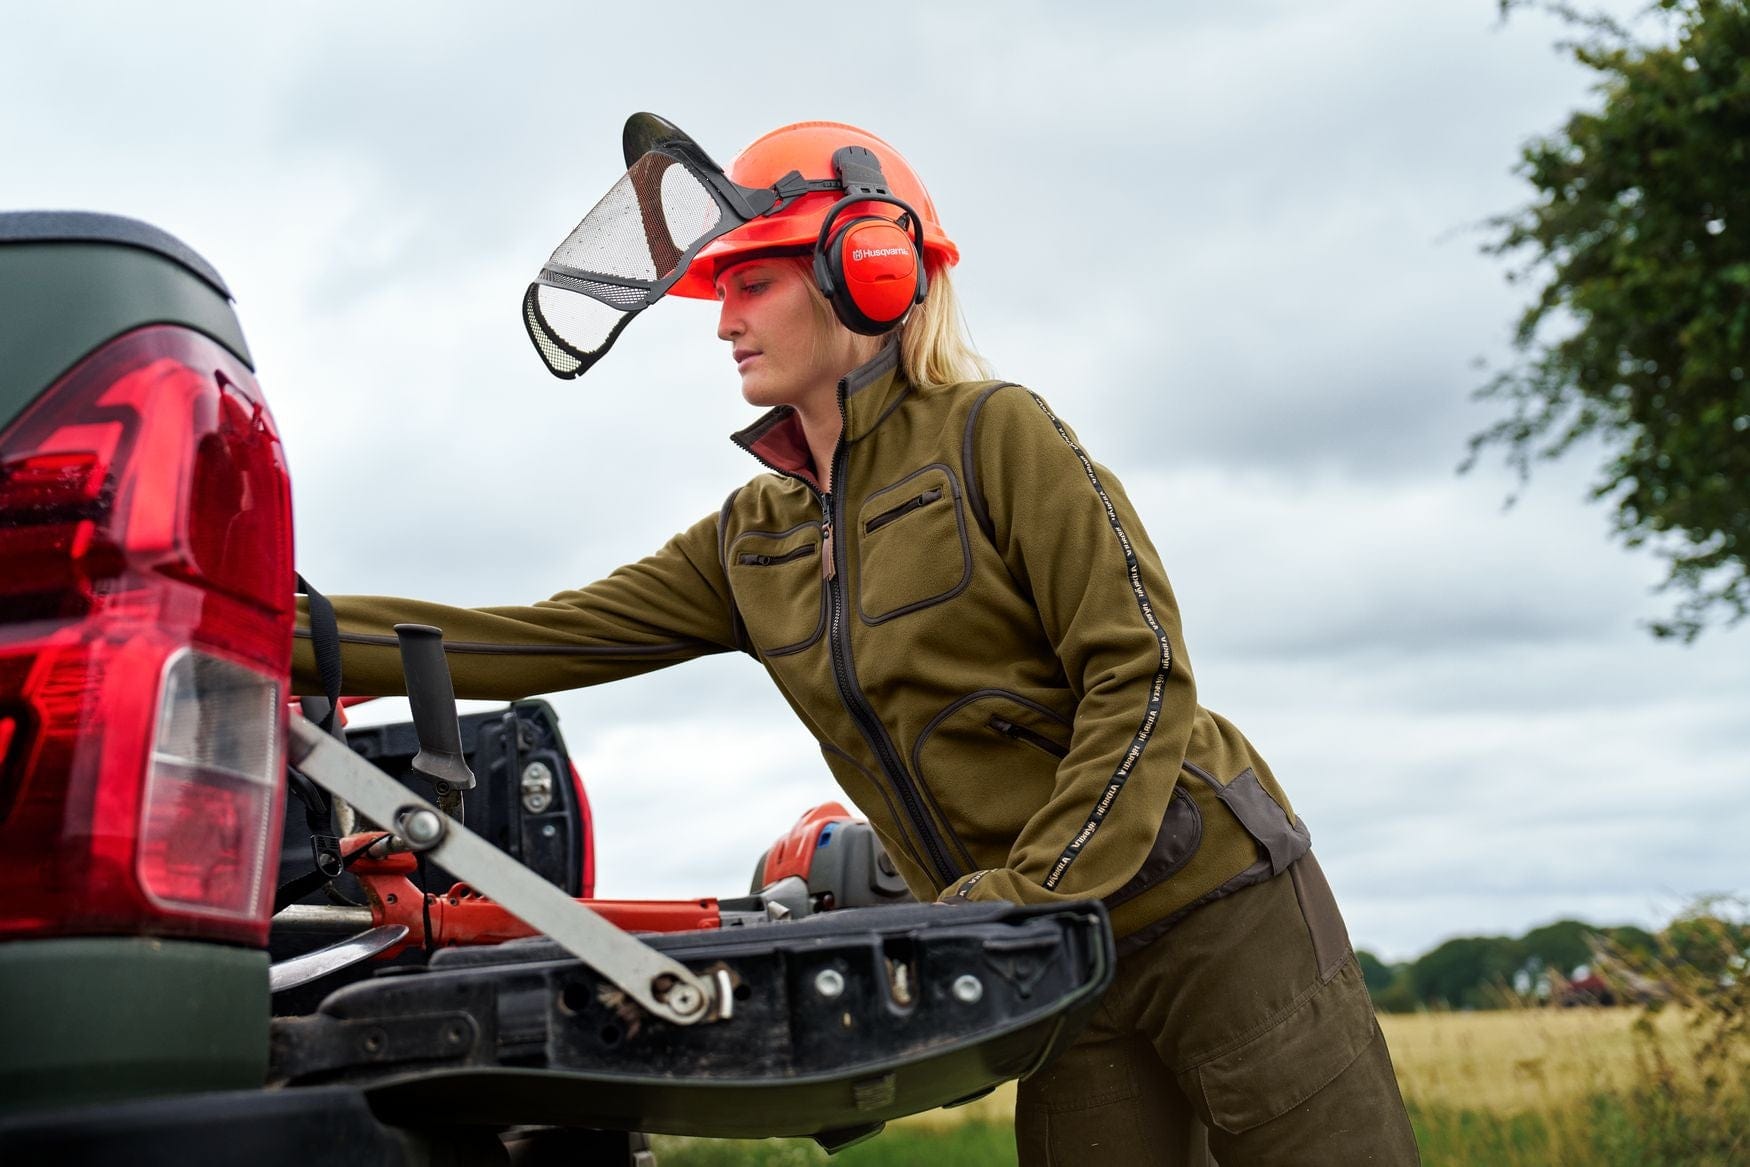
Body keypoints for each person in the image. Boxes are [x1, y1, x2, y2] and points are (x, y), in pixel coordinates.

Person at [293, 119, 1419, 1166]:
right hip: (1064, 963)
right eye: (718, 291)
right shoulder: (752, 538)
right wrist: (271, 632)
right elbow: (530, 640)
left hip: (1209, 909)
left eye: (751, 282)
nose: (723, 319)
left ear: (867, 271)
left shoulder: (996, 437)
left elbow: (1142, 675)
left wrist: (1025, 896)